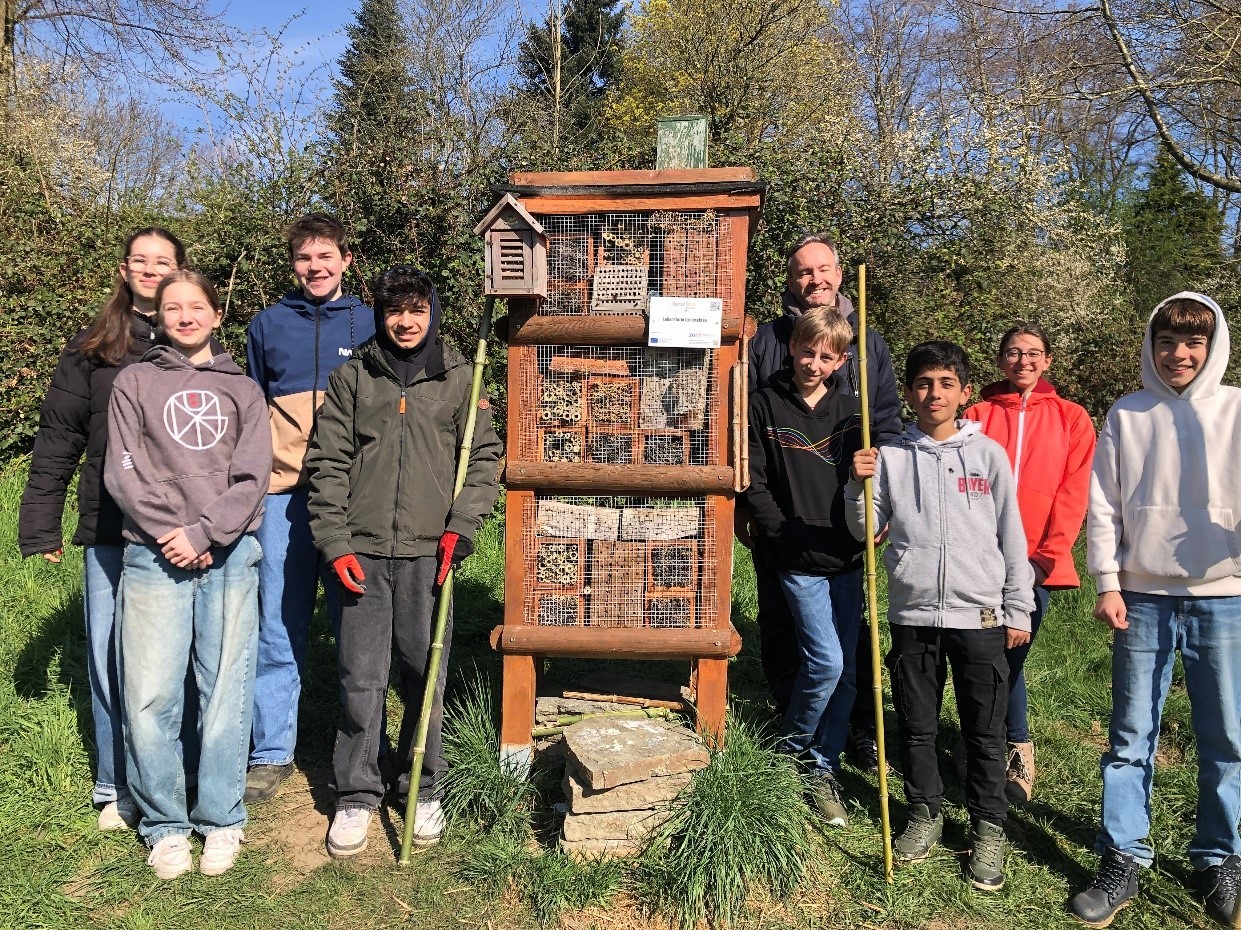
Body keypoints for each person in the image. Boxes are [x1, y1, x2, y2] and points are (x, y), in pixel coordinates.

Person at [305, 265, 501, 857]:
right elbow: (327, 463)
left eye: (417, 310)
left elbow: (484, 460)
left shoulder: (462, 377)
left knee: (425, 670)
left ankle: (423, 783)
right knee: (361, 676)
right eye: (395, 311)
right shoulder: (353, 377)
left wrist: (460, 529)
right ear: (379, 315)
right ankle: (358, 793)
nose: (406, 322)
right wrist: (334, 541)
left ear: (433, 313)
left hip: (426, 554)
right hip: (362, 550)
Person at [1069, 293, 1241, 929]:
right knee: (1131, 733)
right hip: (1141, 596)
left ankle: (1220, 856)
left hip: (1224, 595)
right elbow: (1105, 505)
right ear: (1152, 346)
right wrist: (1109, 582)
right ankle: (1123, 855)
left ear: (1214, 346)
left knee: (1226, 734)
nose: (1179, 354)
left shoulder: (1235, 409)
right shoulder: (1128, 413)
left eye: (1193, 342)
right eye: (1167, 341)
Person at [847, 340, 1034, 891]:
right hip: (914, 615)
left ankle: (987, 826)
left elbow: (1012, 536)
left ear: (964, 392)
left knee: (985, 733)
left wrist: (1016, 605)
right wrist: (859, 485)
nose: (934, 394)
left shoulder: (988, 455)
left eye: (946, 384)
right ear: (908, 393)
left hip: (980, 616)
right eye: (923, 384)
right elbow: (863, 530)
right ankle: (925, 812)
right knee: (919, 727)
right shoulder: (890, 457)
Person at [105, 270, 271, 878]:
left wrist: (205, 534)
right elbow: (124, 469)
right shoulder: (135, 381)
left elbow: (253, 477)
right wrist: (172, 534)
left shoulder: (244, 391)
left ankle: (222, 819)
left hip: (228, 557)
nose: (184, 316)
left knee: (226, 693)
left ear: (215, 315)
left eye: (195, 306)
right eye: (172, 307)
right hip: (152, 556)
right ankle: (165, 825)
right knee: (150, 693)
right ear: (157, 316)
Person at [18, 227, 185, 831]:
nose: (149, 269)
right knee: (110, 656)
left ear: (178, 271)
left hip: (175, 530)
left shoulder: (192, 342)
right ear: (124, 270)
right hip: (108, 524)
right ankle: (115, 781)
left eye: (161, 261)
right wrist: (42, 522)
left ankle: (171, 774)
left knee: (172, 660)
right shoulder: (92, 348)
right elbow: (59, 436)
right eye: (139, 261)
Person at [744, 232, 902, 774]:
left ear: (839, 275)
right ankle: (785, 723)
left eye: (825, 270)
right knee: (783, 624)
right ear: (791, 282)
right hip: (784, 523)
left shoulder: (869, 346)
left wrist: (875, 505)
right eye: (804, 272)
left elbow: (885, 426)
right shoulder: (766, 340)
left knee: (847, 640)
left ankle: (847, 734)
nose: (816, 280)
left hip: (845, 524)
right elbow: (754, 435)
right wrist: (761, 519)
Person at [244, 213, 375, 803]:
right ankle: (271, 748)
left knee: (356, 622)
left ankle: (360, 746)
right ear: (293, 265)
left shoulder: (372, 323)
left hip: (353, 498)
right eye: (304, 259)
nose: (316, 268)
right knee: (276, 618)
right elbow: (249, 409)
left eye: (326, 257)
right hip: (282, 497)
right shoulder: (268, 326)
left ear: (347, 260)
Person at [963, 323, 1096, 803]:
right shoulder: (975, 414)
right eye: (1014, 353)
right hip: (978, 562)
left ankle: (1015, 747)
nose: (1024, 361)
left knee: (1010, 658)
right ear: (1000, 361)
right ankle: (984, 745)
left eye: (1034, 353)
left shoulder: (1072, 418)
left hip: (1035, 563)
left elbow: (1073, 492)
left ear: (1048, 361)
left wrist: (1045, 557)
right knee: (983, 655)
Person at [744, 306, 865, 825]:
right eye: (807, 351)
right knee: (826, 663)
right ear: (792, 347)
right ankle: (791, 747)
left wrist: (866, 475)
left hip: (847, 554)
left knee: (847, 673)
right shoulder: (764, 404)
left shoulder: (853, 414)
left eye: (827, 356)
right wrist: (780, 534)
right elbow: (754, 478)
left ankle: (822, 763)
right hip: (797, 557)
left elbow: (873, 488)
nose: (815, 363)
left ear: (840, 360)